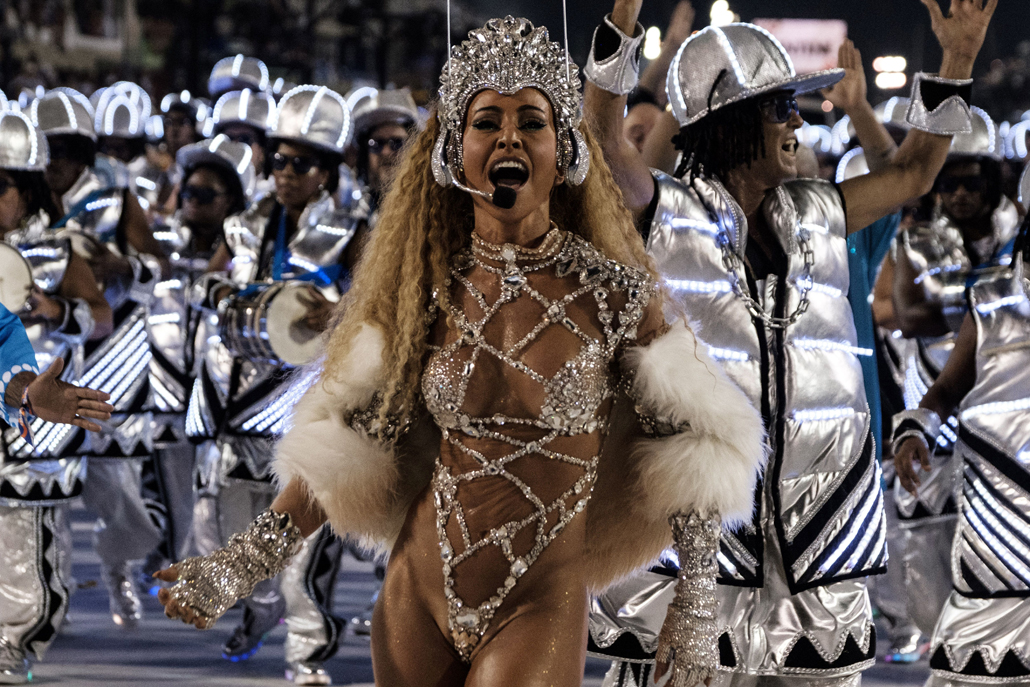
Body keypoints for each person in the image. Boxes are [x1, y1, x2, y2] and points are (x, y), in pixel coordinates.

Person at [157, 16, 766, 687]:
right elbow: (346, 442)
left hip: (541, 600)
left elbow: (696, 442)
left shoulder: (612, 294)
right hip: (416, 592)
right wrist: (236, 566)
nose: (509, 136)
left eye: (531, 121)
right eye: (487, 121)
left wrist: (697, 605)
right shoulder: (423, 290)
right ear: (454, 150)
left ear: (564, 149)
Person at [582, 0, 995, 685]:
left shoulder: (820, 211)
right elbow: (600, 153)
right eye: (781, 108)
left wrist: (957, 60)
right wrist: (620, 31)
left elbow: (917, 171)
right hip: (695, 550)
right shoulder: (667, 215)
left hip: (818, 548)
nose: (798, 122)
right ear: (732, 120)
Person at [184, 86, 368, 685]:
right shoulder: (243, 227)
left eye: (303, 163)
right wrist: (227, 296)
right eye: (280, 161)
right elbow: (204, 289)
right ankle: (260, 612)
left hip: (309, 402)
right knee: (238, 539)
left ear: (329, 170)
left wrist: (338, 312)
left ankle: (306, 656)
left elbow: (379, 302)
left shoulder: (354, 228)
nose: (287, 174)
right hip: (240, 404)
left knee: (305, 547)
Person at [32, 87, 168, 630]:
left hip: (111, 357)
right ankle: (47, 595)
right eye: (47, 150)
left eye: (64, 150)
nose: (54, 162)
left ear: (84, 153)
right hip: (43, 358)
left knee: (122, 497)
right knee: (46, 487)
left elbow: (157, 268)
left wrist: (119, 266)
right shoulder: (21, 202)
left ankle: (118, 567)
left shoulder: (115, 198)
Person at [891, 164, 1030, 686]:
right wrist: (915, 429)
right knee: (974, 658)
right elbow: (946, 389)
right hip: (995, 509)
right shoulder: (992, 301)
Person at [0, 111, 116, 685]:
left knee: (28, 578)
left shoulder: (54, 252)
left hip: (35, 420)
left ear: (27, 193)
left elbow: (101, 317)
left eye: (1, 185)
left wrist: (55, 311)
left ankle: (10, 655)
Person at [137, 135, 255, 589]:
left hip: (218, 390)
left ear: (231, 200)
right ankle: (174, 554)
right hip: (165, 385)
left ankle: (210, 569)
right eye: (188, 192)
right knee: (169, 481)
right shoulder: (161, 239)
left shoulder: (245, 250)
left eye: (206, 195)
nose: (193, 202)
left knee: (213, 488)